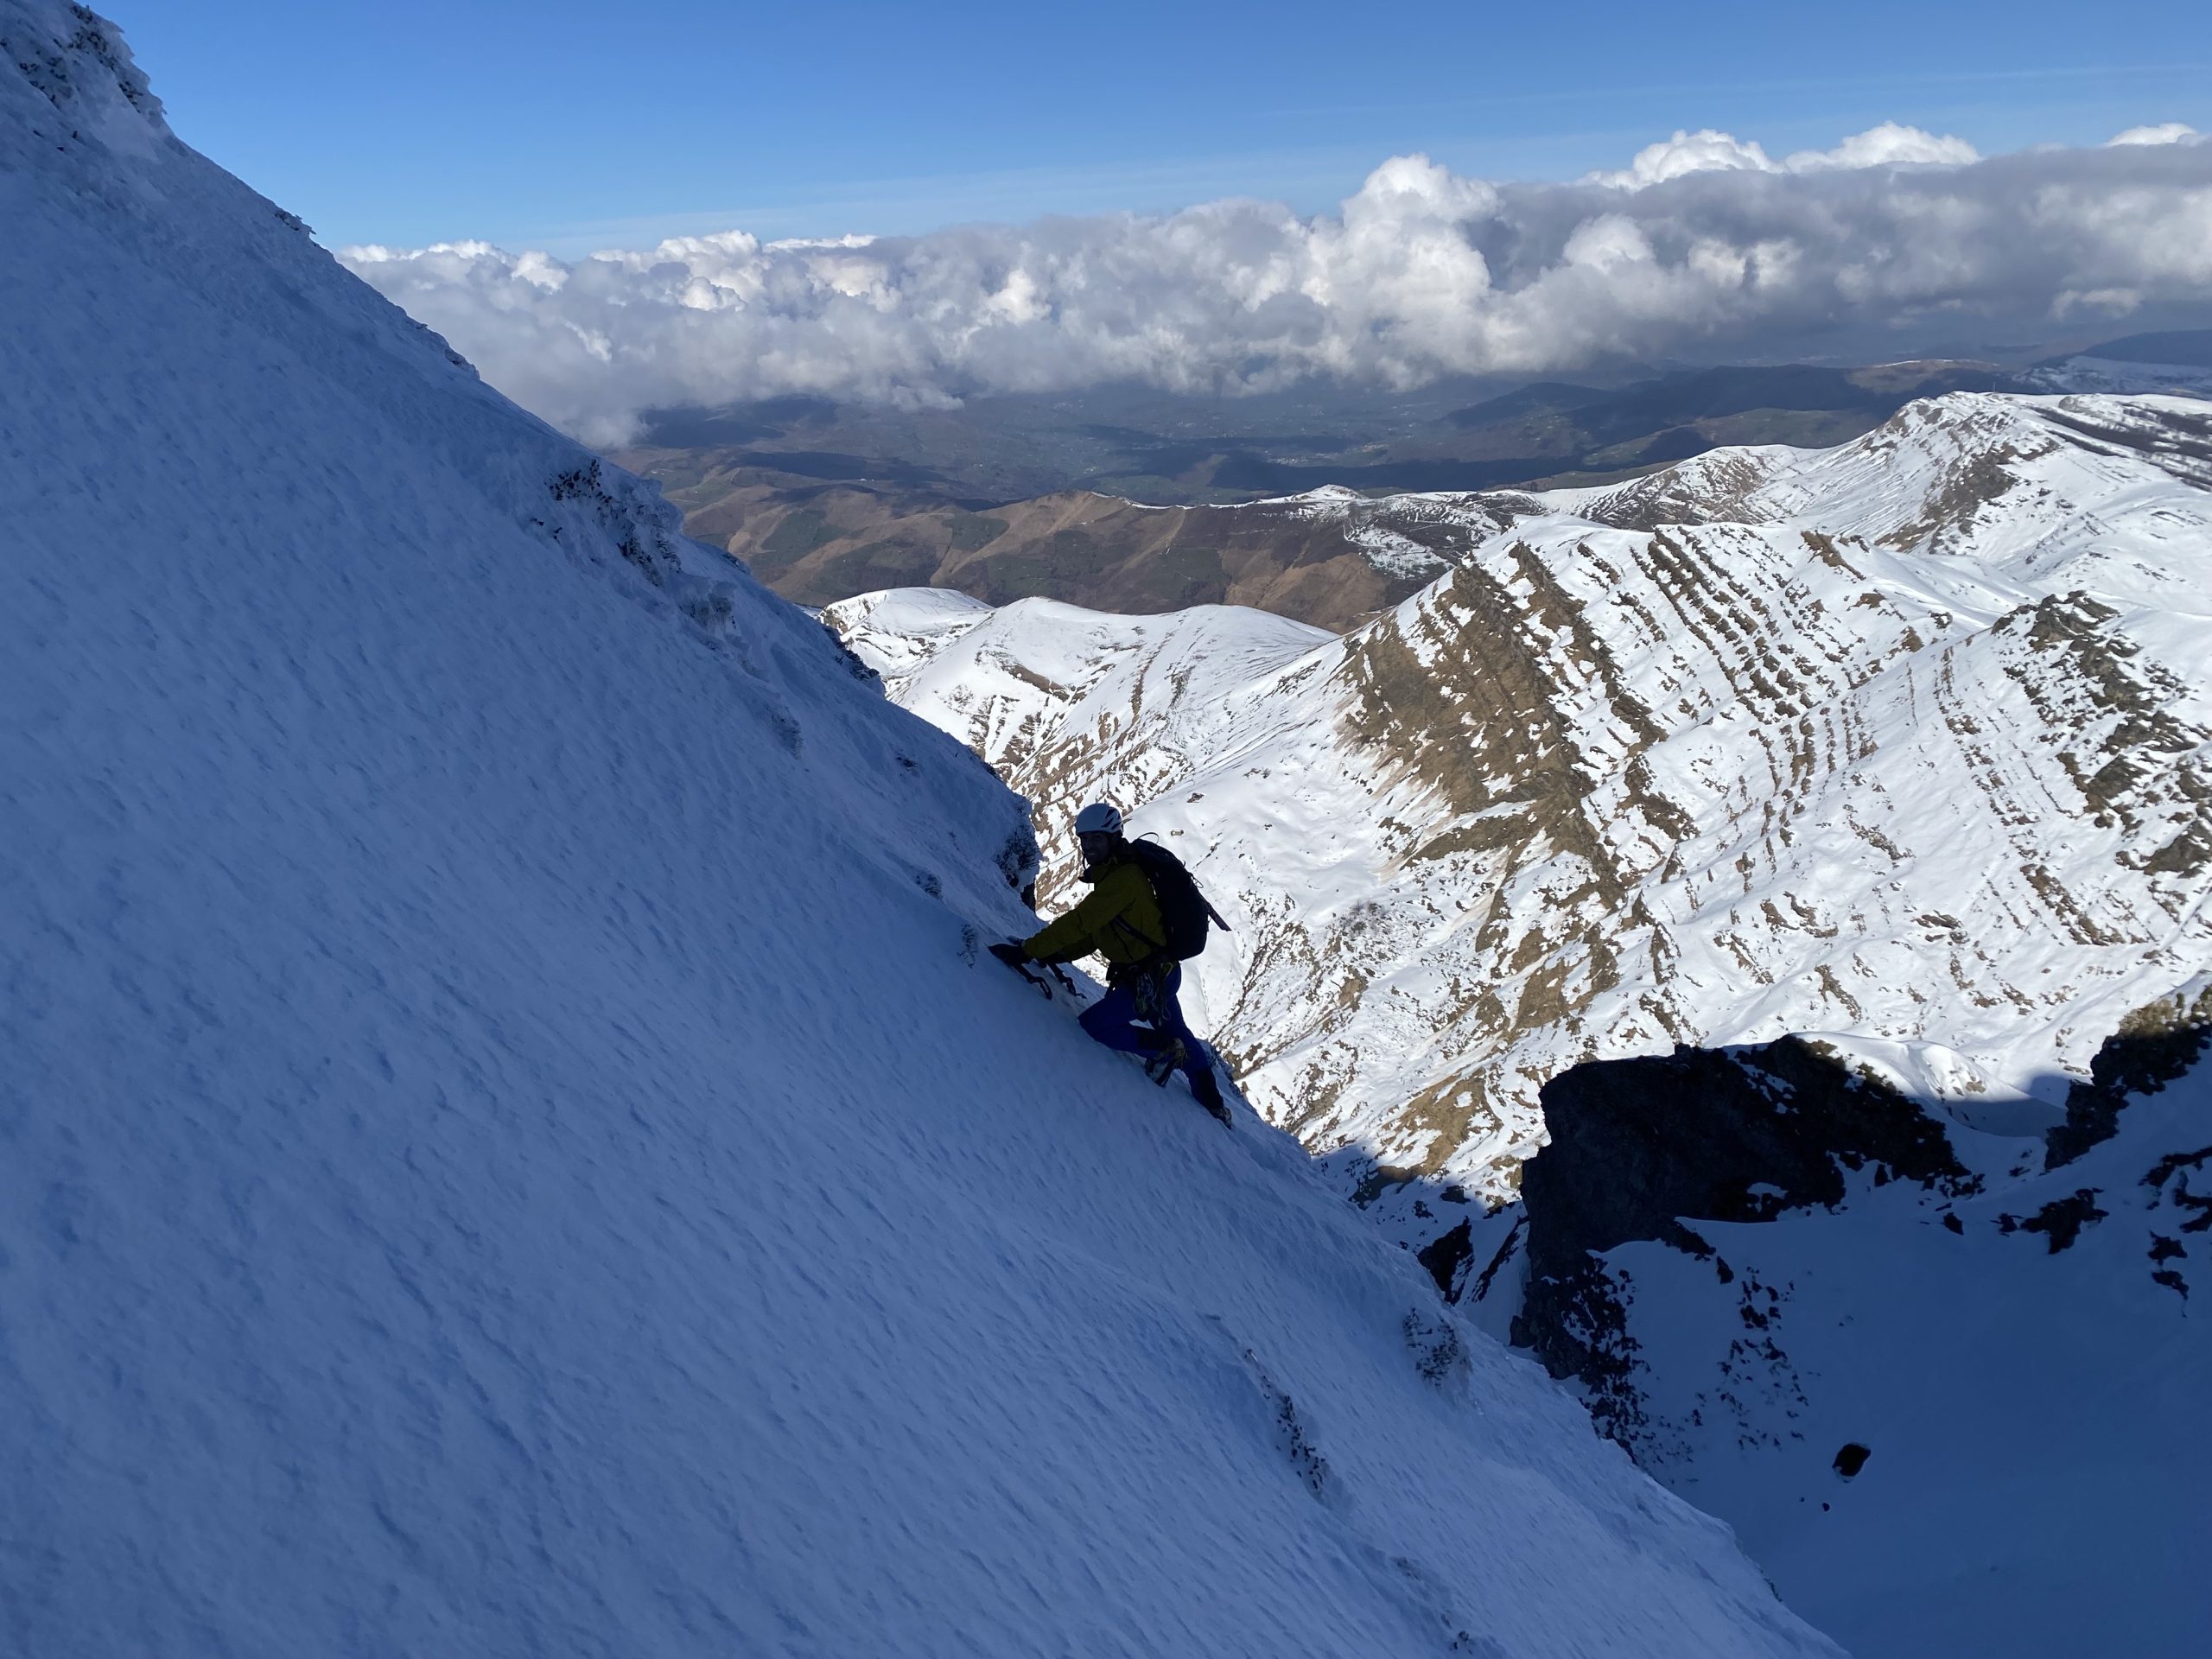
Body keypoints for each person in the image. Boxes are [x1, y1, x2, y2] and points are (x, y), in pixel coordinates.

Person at [993, 802, 1230, 1122]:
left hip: (1147, 980)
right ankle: (1214, 1103)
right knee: (1181, 1033)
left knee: (1097, 1025)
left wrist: (1028, 952)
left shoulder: (1122, 882)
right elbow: (1100, 933)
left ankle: (1165, 1049)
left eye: (1096, 839)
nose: (1089, 846)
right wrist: (1055, 953)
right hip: (1160, 973)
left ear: (1113, 838)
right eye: (1085, 839)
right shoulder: (1115, 875)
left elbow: (1080, 923)